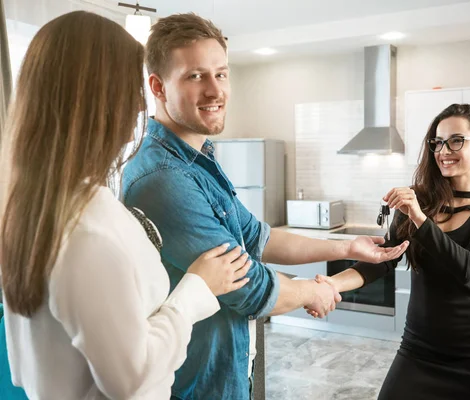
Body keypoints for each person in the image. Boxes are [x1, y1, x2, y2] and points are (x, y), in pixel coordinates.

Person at [121, 13, 409, 400]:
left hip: (228, 368)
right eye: (195, 76)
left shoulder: (198, 158)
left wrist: (346, 247)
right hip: (197, 385)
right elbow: (249, 289)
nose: (215, 90)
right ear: (158, 86)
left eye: (221, 74)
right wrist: (313, 291)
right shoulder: (164, 178)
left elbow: (259, 238)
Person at [0, 11, 255, 399]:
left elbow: (23, 369)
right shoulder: (87, 232)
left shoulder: (31, 209)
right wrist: (195, 291)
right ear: (92, 99)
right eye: (129, 89)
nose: (139, 106)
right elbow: (131, 380)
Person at [312, 103, 470, 400]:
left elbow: (469, 268)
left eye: (456, 140)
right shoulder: (419, 199)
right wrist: (333, 284)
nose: (443, 150)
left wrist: (419, 217)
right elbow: (383, 260)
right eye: (438, 142)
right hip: (417, 347)